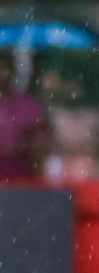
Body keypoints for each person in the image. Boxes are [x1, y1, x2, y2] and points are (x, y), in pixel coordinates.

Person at [39, 71, 99, 184]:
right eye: (68, 83)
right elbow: (42, 150)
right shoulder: (53, 116)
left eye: (76, 84)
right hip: (60, 170)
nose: (73, 90)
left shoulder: (95, 117)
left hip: (92, 170)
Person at [0, 50, 46, 181]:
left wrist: (22, 146)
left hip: (22, 182)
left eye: (3, 68)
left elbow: (41, 143)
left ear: (11, 69)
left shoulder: (28, 105)